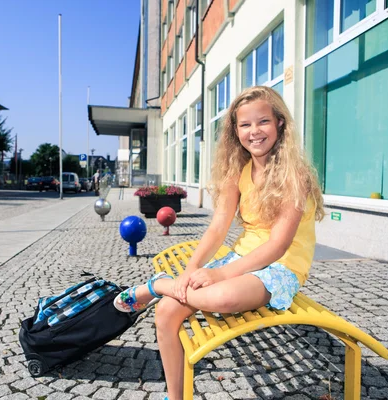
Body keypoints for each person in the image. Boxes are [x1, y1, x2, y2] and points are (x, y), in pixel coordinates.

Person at [113, 86, 325, 400]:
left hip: (282, 266)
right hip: (241, 257)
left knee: (222, 298)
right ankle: (176, 396)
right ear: (235, 130)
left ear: (280, 123)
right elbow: (216, 229)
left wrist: (218, 275)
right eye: (245, 124)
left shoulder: (295, 175)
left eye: (263, 121)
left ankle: (159, 285)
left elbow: (278, 246)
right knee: (167, 312)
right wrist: (193, 269)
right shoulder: (238, 172)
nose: (254, 131)